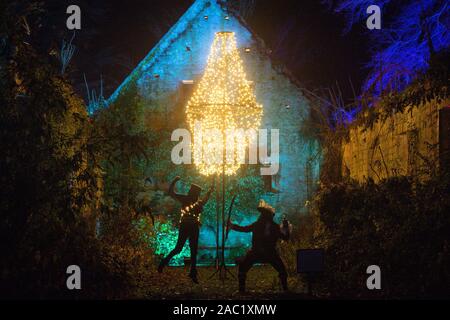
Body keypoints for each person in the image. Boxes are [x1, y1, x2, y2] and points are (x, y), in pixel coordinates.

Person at [158, 176, 213, 283]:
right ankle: (163, 263)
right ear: (195, 193)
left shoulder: (195, 202)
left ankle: (192, 272)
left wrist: (209, 192)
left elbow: (171, 193)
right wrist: (174, 181)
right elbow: (171, 193)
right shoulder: (189, 200)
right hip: (187, 226)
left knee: (191, 250)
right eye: (197, 193)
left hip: (192, 227)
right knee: (180, 248)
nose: (197, 195)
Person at [228, 200, 290, 293]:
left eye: (261, 215)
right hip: (269, 253)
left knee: (243, 269)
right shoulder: (274, 226)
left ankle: (241, 290)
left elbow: (244, 229)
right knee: (282, 270)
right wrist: (286, 228)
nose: (260, 216)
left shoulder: (258, 224)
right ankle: (285, 289)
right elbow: (286, 237)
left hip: (257, 252)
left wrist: (232, 226)